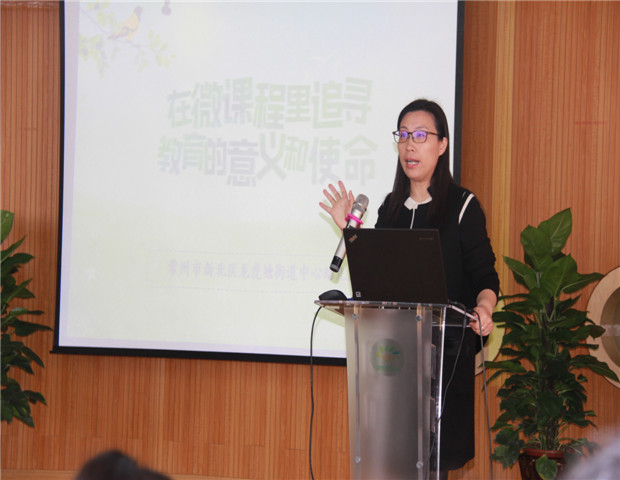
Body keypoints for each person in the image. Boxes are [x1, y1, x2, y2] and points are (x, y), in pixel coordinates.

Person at [320, 98, 499, 476]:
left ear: (442, 145)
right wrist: (349, 232)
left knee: (434, 463)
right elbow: (376, 282)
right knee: (392, 461)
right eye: (402, 135)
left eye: (420, 135)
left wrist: (485, 308)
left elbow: (486, 278)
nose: (409, 145)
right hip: (394, 361)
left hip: (445, 358)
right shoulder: (391, 208)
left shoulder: (463, 206)